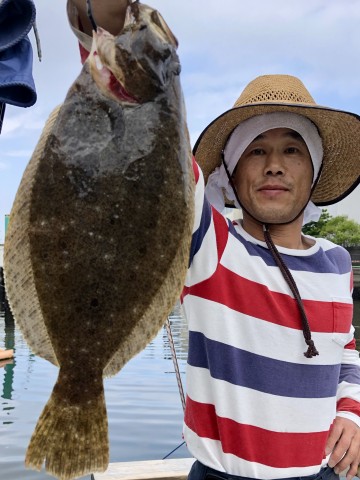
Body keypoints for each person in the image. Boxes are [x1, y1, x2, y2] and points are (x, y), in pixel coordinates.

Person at [66, 2, 360, 480]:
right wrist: (113, 27)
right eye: (256, 150)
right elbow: (154, 142)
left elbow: (345, 347)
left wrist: (351, 412)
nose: (274, 165)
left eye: (292, 149)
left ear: (314, 169)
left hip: (322, 472)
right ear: (231, 171)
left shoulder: (337, 261)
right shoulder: (212, 244)